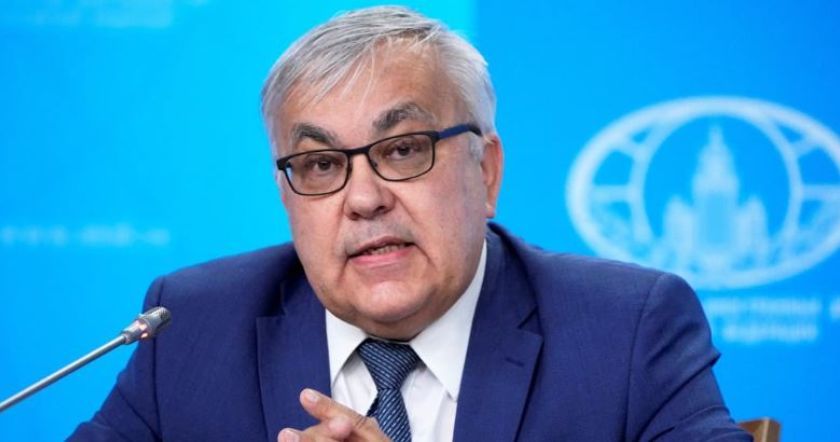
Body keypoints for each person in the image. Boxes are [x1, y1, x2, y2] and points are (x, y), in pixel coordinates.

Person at [71, 6, 749, 442]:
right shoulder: (192, 325)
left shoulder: (625, 332)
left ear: (486, 173)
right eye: (320, 164)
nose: (364, 199)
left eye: (401, 150)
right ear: (286, 196)